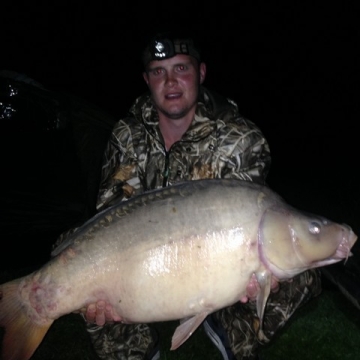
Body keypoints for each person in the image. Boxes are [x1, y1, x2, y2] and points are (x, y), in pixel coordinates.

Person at [56, 31, 322, 360]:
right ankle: (134, 350)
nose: (170, 82)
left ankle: (230, 329)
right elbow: (112, 214)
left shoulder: (240, 138)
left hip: (217, 264)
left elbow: (250, 219)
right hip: (143, 266)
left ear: (201, 73)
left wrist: (258, 272)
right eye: (158, 72)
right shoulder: (126, 135)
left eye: (181, 69)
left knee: (299, 272)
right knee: (85, 269)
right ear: (147, 80)